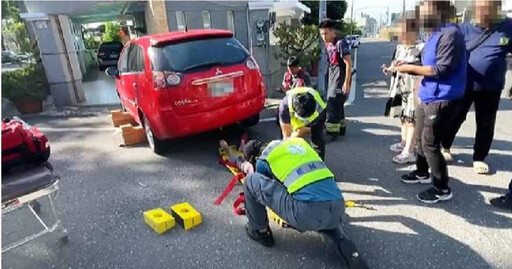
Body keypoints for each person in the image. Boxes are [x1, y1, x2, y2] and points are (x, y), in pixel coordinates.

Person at [394, 0, 466, 204]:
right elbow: (426, 64)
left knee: (430, 143)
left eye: (426, 8)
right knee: (419, 138)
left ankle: (442, 187)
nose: (422, 13)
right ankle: (421, 172)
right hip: (427, 95)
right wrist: (407, 64)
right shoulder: (434, 33)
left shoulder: (450, 34)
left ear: (439, 10)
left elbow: (442, 69)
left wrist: (410, 69)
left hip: (443, 97)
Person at [441, 1, 512, 174]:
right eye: (480, 9)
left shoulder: (508, 27)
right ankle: (445, 147)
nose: (483, 13)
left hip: (491, 86)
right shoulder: (463, 29)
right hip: (463, 84)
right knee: (455, 117)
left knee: (486, 124)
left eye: (488, 9)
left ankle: (479, 157)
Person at [242, 137, 343, 244]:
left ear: (255, 157)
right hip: (339, 208)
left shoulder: (264, 160)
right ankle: (333, 230)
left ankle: (260, 230)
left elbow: (263, 191)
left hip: (306, 213)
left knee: (250, 181)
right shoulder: (299, 142)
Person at [382, 18, 424, 164]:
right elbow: (395, 64)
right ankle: (403, 143)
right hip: (400, 87)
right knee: (403, 117)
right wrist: (389, 69)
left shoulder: (421, 48)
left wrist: (408, 65)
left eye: (405, 33)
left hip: (414, 89)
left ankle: (409, 151)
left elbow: (424, 68)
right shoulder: (399, 48)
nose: (402, 36)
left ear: (414, 32)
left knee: (411, 119)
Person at [319, 19, 353, 140]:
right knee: (338, 102)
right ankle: (341, 129)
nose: (323, 37)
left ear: (332, 31)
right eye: (321, 34)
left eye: (326, 33)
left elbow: (348, 63)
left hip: (340, 74)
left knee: (333, 102)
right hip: (333, 73)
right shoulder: (328, 44)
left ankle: (332, 133)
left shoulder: (340, 43)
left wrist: (346, 83)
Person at [278, 87, 327, 160]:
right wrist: (294, 137)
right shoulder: (284, 106)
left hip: (317, 117)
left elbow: (317, 128)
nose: (304, 122)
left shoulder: (321, 106)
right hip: (292, 117)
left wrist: (304, 131)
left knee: (318, 138)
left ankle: (319, 161)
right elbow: (286, 136)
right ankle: (288, 160)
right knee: (287, 143)